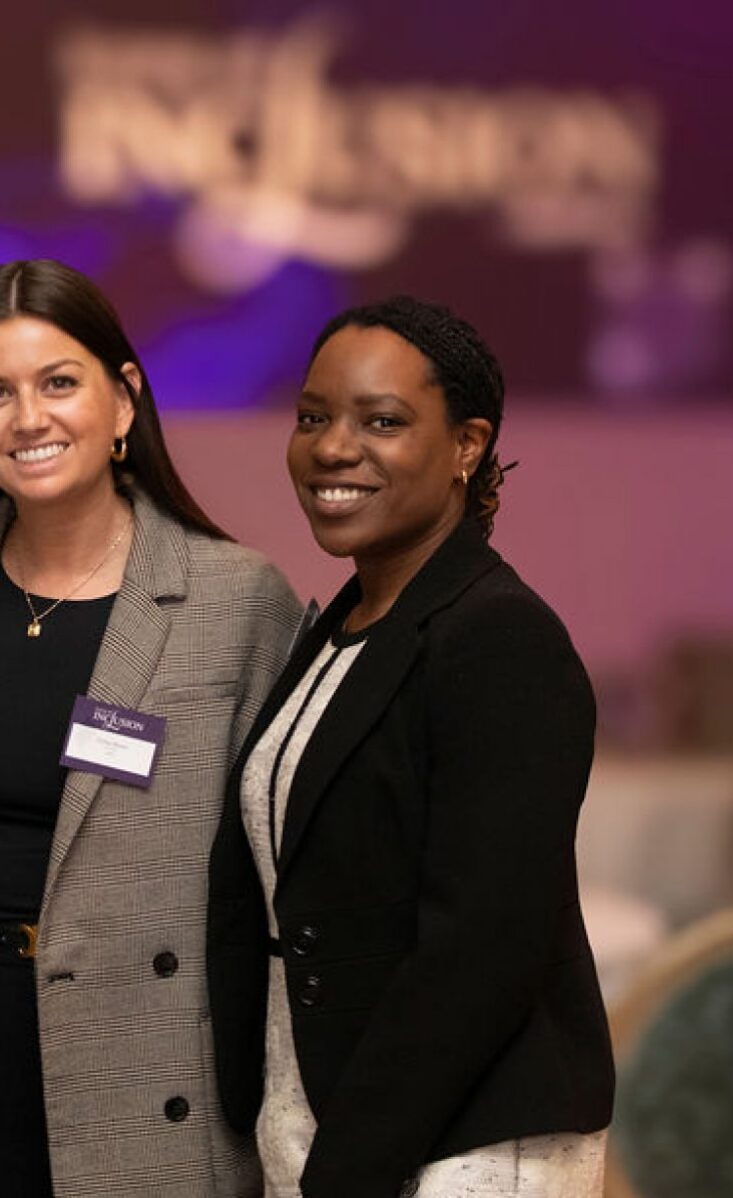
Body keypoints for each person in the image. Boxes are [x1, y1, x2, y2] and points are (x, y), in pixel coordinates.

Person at [0, 259, 301, 1197]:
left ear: (124, 400)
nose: (29, 419)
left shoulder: (233, 600)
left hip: (144, 1062)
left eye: (59, 383)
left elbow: (286, 869)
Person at [206, 296, 614, 1198]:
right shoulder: (349, 622)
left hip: (459, 1140)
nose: (333, 448)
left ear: (468, 446)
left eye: (381, 421)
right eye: (313, 417)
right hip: (334, 1110)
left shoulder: (500, 637)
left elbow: (483, 950)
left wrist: (355, 1164)